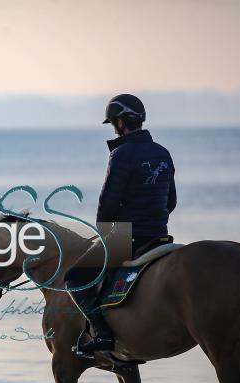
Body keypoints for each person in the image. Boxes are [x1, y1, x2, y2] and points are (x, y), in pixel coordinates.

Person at [64, 94, 177, 355]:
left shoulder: (121, 154)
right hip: (160, 236)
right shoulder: (163, 152)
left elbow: (107, 206)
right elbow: (170, 201)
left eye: (114, 123)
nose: (114, 128)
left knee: (74, 278)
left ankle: (102, 335)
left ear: (120, 122)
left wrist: (106, 235)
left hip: (127, 239)